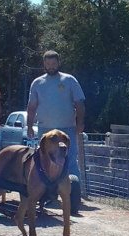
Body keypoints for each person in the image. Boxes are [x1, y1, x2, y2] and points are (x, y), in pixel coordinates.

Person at [26, 50, 86, 180]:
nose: (51, 66)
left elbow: (79, 103)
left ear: (59, 63)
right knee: (45, 161)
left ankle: (74, 193)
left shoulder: (69, 80)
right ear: (44, 64)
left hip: (67, 129)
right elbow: (31, 107)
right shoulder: (37, 83)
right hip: (45, 130)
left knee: (70, 161)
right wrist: (29, 126)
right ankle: (46, 193)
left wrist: (80, 123)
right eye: (48, 63)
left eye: (54, 63)